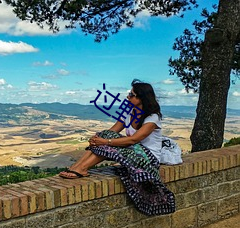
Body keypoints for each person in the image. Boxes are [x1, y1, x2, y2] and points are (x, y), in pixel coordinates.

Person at [59, 79, 175, 215]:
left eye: (132, 95)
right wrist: (97, 139)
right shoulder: (128, 111)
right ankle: (77, 167)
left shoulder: (152, 117)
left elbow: (134, 139)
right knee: (104, 135)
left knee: (107, 141)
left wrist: (105, 141)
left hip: (148, 158)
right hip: (132, 150)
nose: (128, 97)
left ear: (141, 98)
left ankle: (82, 168)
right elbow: (113, 131)